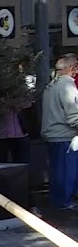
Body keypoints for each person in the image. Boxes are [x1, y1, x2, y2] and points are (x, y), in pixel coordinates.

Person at [40, 54, 78, 211]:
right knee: (66, 172)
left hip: (52, 135)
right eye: (76, 67)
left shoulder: (51, 86)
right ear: (71, 68)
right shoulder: (67, 86)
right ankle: (64, 202)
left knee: (57, 172)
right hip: (65, 136)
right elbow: (73, 115)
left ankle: (60, 201)